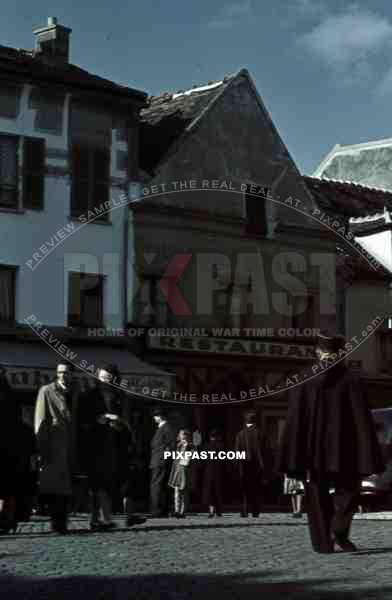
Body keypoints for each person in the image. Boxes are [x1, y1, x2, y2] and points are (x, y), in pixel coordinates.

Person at [278, 333, 384, 553]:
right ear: (341, 353)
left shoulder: (303, 379)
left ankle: (322, 543)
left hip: (312, 452)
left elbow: (296, 421)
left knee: (316, 496)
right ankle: (339, 529)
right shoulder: (353, 380)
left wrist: (295, 454)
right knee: (349, 492)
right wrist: (367, 454)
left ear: (318, 352)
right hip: (346, 451)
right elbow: (362, 421)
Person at [78, 364, 131, 531]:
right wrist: (97, 420)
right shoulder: (89, 396)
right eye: (102, 377)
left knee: (107, 484)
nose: (104, 381)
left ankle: (103, 518)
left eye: (108, 378)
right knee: (95, 484)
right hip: (94, 445)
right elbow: (81, 420)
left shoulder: (121, 396)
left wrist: (119, 421)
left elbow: (128, 423)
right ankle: (98, 519)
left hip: (115, 446)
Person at [34, 361, 77, 534]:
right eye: (60, 372)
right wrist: (42, 447)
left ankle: (62, 522)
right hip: (53, 444)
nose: (62, 375)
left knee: (66, 487)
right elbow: (40, 420)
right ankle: (56, 523)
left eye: (66, 372)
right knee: (54, 487)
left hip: (70, 445)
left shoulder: (75, 392)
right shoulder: (47, 391)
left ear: (72, 374)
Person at [234, 411, 269, 517]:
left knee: (244, 490)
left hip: (244, 466)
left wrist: (235, 465)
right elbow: (266, 452)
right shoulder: (261, 433)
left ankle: (245, 511)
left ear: (246, 421)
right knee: (256, 490)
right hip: (258, 467)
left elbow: (237, 451)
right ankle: (255, 511)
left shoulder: (240, 434)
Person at [149, 407, 176, 517]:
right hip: (158, 460)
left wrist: (165, 458)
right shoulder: (162, 428)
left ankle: (157, 510)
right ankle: (161, 509)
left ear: (159, 416)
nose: (154, 418)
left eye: (155, 416)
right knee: (159, 485)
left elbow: (171, 444)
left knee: (157, 485)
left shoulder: (166, 427)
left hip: (160, 461)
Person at [168, 429, 193, 518]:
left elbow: (190, 457)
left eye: (184, 435)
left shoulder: (190, 446)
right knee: (177, 490)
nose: (183, 436)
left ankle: (183, 511)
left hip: (184, 469)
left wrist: (186, 446)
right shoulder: (178, 445)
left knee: (184, 491)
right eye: (182, 434)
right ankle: (176, 510)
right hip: (177, 469)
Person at [202, 429, 226, 517]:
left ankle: (211, 511)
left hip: (208, 472)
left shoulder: (206, 447)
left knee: (210, 492)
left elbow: (203, 460)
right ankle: (219, 510)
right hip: (219, 472)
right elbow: (225, 461)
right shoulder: (221, 447)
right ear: (217, 437)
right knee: (218, 491)